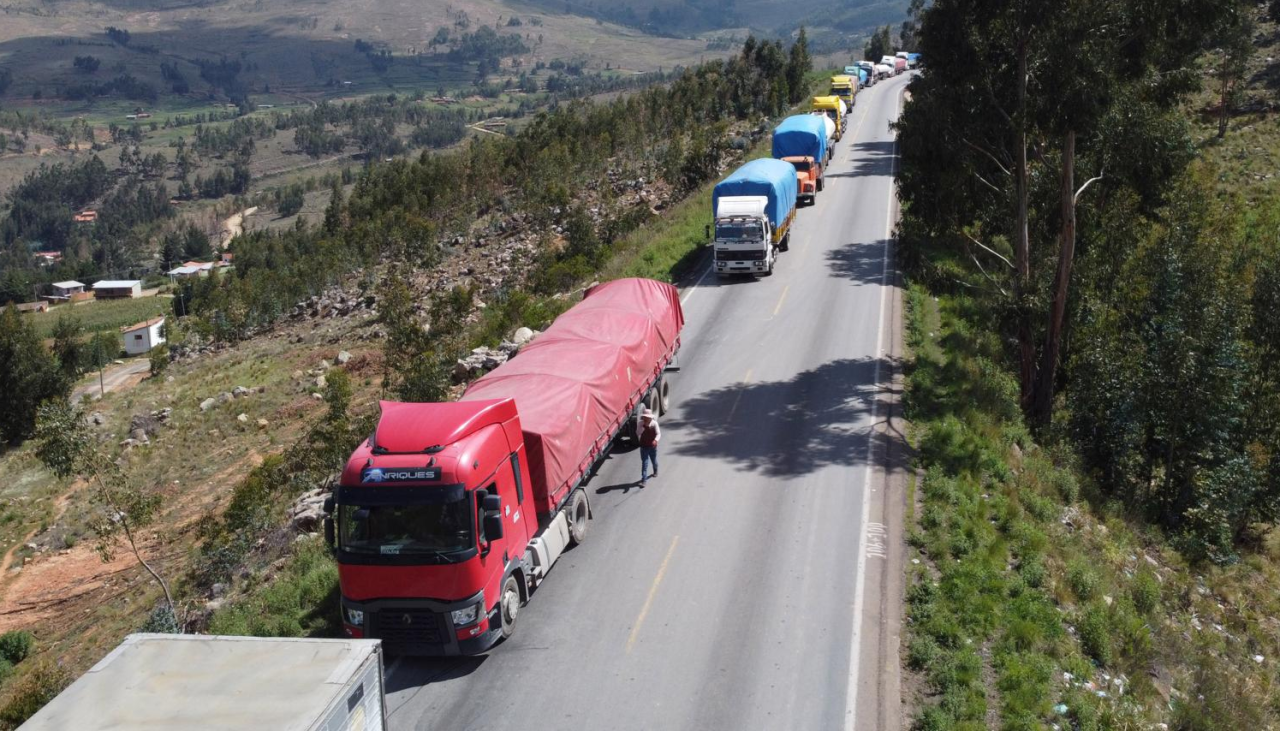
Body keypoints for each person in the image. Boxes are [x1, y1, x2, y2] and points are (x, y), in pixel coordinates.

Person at [639, 407, 660, 485]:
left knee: (653, 460)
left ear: (650, 417)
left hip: (652, 446)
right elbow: (638, 433)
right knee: (645, 463)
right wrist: (643, 427)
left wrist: (655, 440)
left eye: (647, 417)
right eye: (644, 417)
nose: (645, 418)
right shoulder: (640, 424)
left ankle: (655, 470)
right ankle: (644, 480)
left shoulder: (654, 423)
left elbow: (658, 433)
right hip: (643, 446)